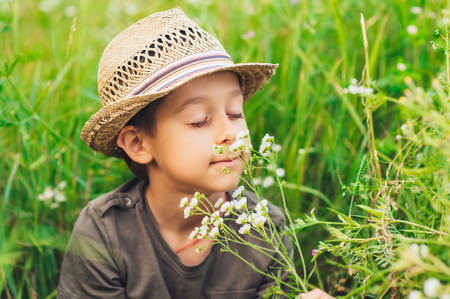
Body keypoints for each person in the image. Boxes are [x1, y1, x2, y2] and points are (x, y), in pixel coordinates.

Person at [57, 7, 333, 299]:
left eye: (235, 113)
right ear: (138, 144)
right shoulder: (105, 233)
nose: (230, 133)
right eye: (199, 120)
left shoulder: (262, 228)